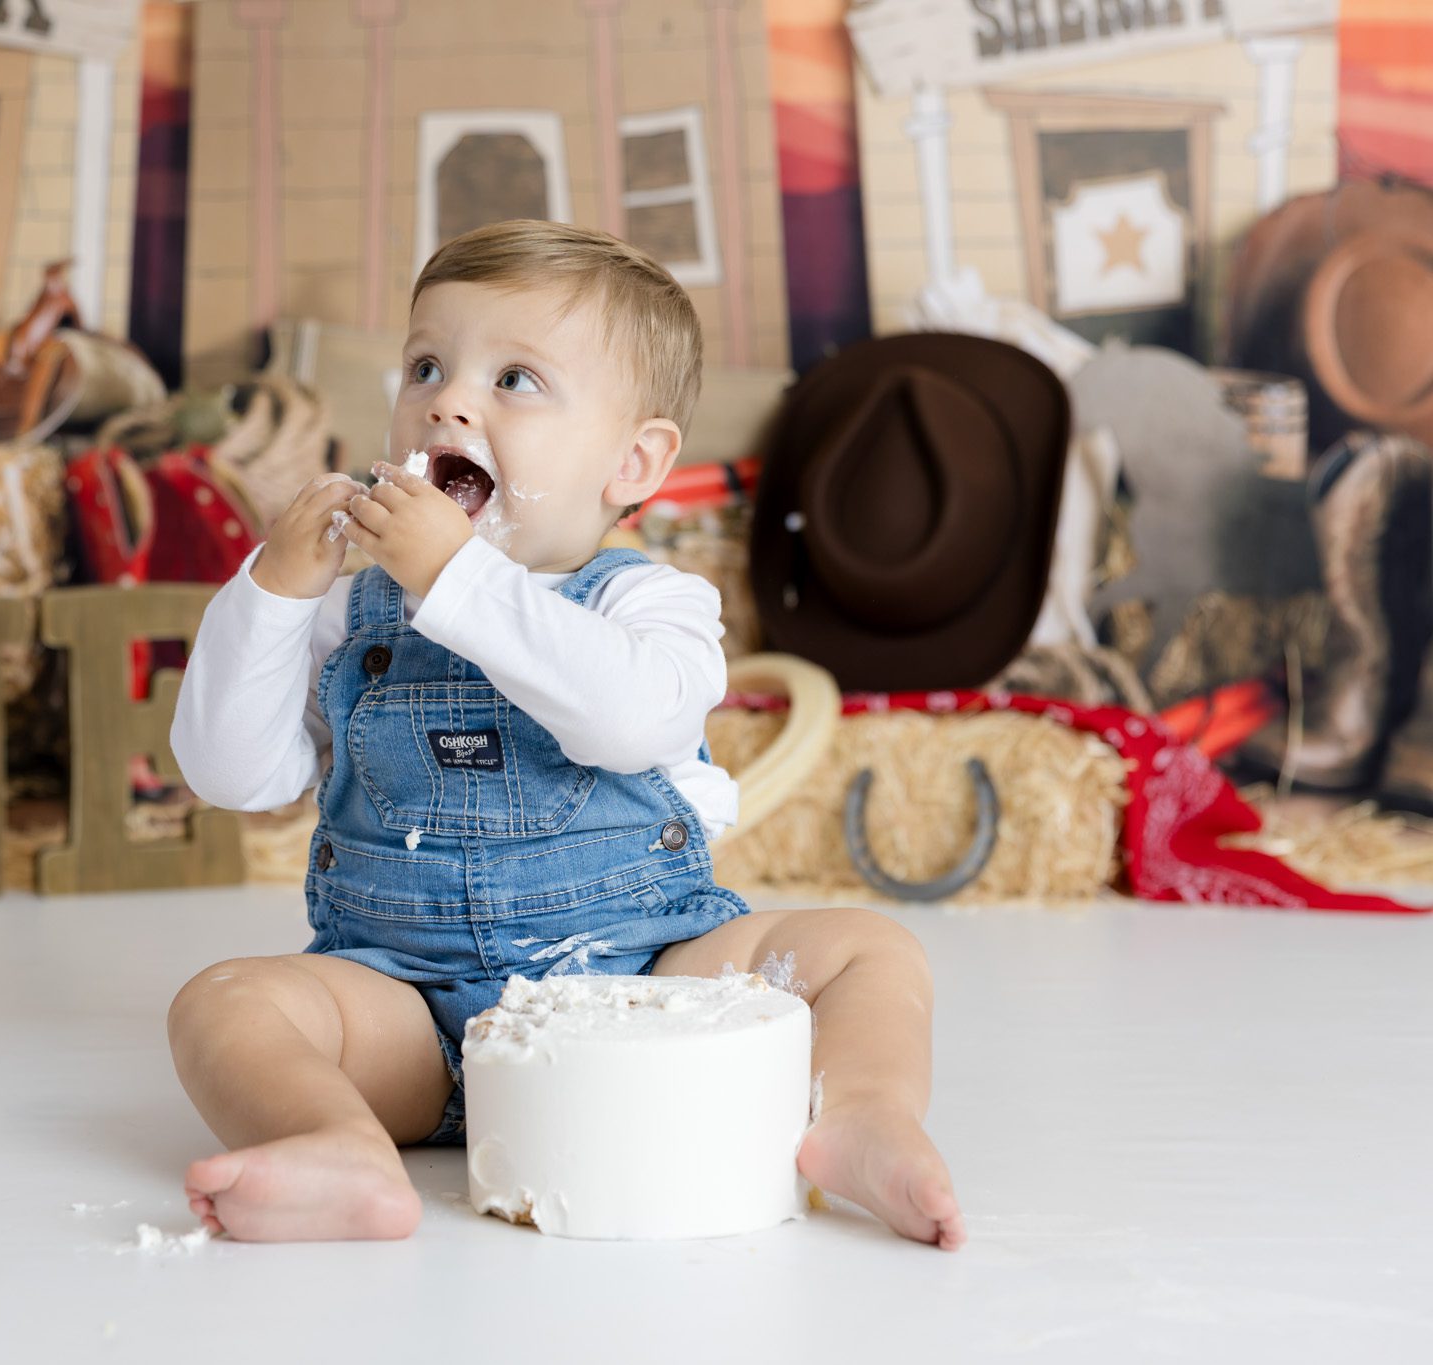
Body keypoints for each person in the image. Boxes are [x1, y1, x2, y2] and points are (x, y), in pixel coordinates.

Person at [167, 220, 964, 1250]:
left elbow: (627, 722)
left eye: (515, 381)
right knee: (224, 1002)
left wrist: (457, 578)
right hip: (404, 1015)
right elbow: (233, 774)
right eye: (425, 366)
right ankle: (338, 1145)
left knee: (868, 950)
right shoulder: (351, 614)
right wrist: (270, 593)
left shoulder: (649, 603)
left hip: (641, 989)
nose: (447, 400)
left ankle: (859, 1115)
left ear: (631, 461)